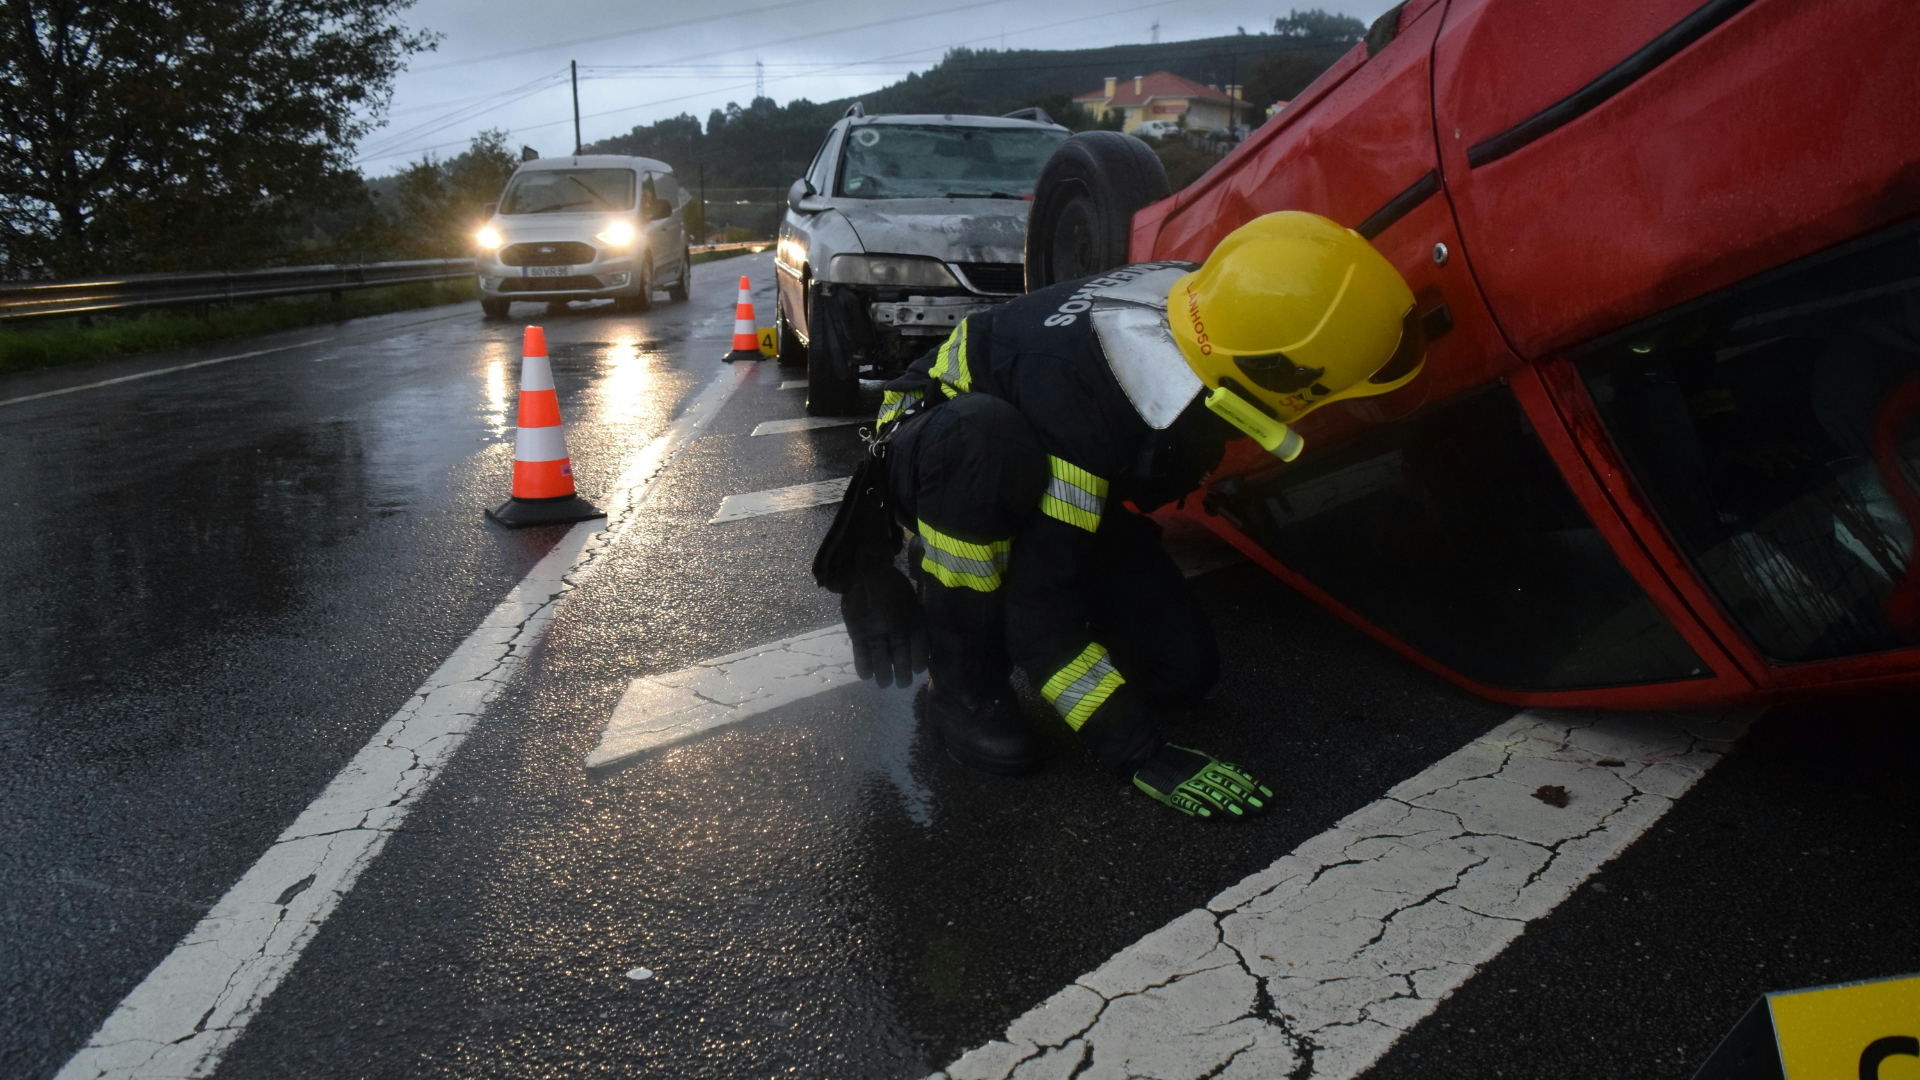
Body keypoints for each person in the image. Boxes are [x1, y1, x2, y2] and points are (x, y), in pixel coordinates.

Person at [812, 212, 1426, 818]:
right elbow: (1040, 621)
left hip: (1043, 448)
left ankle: (1008, 554)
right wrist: (1138, 752)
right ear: (1279, 375)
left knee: (1177, 673)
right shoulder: (1088, 407)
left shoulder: (1221, 304)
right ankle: (961, 685)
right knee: (984, 448)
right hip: (947, 449)